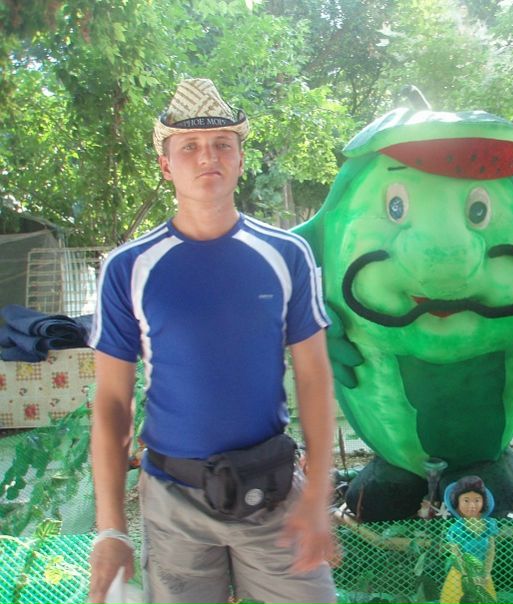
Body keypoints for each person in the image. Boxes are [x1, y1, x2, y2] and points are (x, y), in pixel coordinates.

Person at [87, 78, 336, 604]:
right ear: (166, 165)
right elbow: (112, 401)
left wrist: (318, 493)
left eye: (223, 143)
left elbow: (314, 376)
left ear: (241, 159)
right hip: (172, 503)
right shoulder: (128, 268)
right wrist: (110, 530)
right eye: (190, 147)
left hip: (274, 495)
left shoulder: (286, 255)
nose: (208, 157)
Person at [440, 476, 498, 604]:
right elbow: (456, 554)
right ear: (458, 503)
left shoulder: (490, 525)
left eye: (477, 500)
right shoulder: (456, 529)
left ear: (483, 501)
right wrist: (468, 576)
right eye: (466, 501)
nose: (472, 506)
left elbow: (491, 551)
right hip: (461, 575)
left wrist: (486, 573)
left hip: (483, 574)